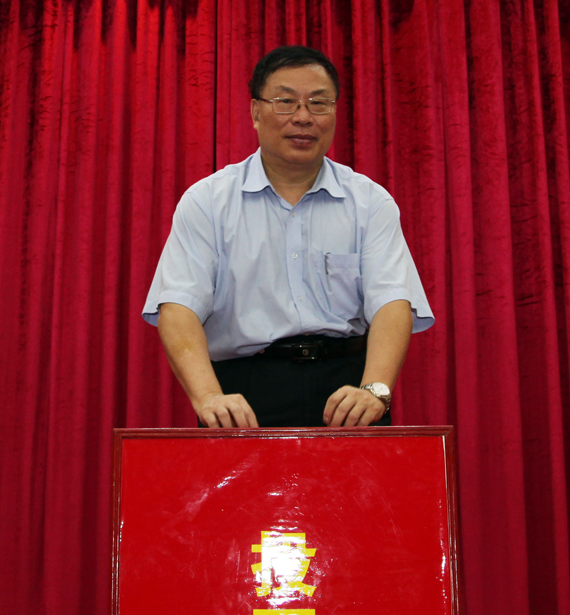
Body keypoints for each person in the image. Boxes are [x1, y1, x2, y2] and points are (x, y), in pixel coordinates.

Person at [143, 45, 434, 429]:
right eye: (285, 102)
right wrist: (208, 396)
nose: (303, 117)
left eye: (319, 103)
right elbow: (178, 306)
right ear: (255, 112)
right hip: (242, 391)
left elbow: (392, 301)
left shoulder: (370, 201)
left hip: (348, 392)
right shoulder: (208, 201)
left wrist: (375, 389)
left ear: (334, 112)